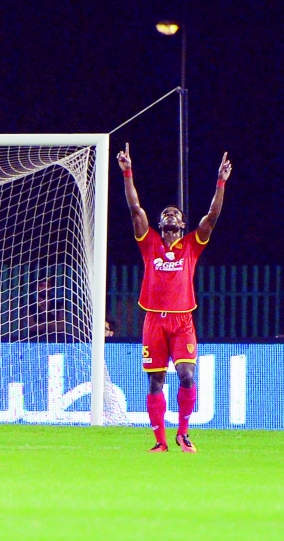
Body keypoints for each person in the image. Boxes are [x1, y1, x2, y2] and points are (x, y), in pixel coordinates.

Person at [117, 143, 232, 452]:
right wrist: (128, 172)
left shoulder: (192, 245)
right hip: (154, 320)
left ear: (181, 224)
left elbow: (212, 216)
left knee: (186, 375)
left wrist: (220, 182)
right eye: (166, 214)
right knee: (155, 381)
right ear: (161, 223)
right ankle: (160, 442)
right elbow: (135, 209)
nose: (170, 215)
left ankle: (183, 433)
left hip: (182, 322)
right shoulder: (149, 242)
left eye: (176, 214)